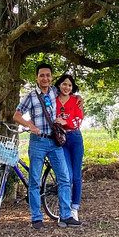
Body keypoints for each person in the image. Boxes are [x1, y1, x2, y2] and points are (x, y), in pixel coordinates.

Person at [13, 62, 81, 230]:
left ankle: (65, 215)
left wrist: (78, 97)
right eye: (42, 75)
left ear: (51, 78)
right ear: (36, 78)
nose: (45, 78)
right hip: (38, 142)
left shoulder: (54, 92)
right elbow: (17, 115)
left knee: (64, 178)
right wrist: (29, 125)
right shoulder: (30, 96)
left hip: (55, 141)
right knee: (35, 181)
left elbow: (68, 92)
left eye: (48, 75)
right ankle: (36, 218)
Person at [54, 74, 85, 221]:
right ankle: (64, 210)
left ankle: (75, 208)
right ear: (59, 85)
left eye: (70, 85)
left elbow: (78, 120)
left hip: (75, 138)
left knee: (77, 176)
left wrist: (64, 121)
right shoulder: (53, 100)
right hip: (61, 140)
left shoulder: (75, 101)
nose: (67, 87)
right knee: (67, 176)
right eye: (64, 84)